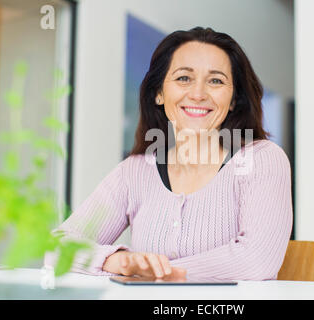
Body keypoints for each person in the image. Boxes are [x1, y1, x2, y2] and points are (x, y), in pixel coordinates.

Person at [44, 27, 293, 281]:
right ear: (159, 93)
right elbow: (55, 250)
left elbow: (257, 261)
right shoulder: (135, 171)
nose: (198, 94)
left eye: (216, 80)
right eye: (184, 78)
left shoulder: (261, 159)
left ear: (232, 100)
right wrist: (117, 261)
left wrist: (157, 275)